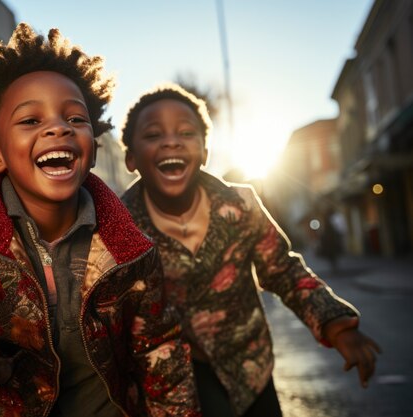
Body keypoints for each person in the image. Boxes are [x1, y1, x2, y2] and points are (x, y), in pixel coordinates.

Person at [0, 24, 200, 417]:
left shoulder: (133, 252)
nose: (58, 127)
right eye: (30, 121)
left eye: (75, 118)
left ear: (90, 151)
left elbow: (162, 355)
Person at [119, 83, 381, 417]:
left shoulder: (241, 204)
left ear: (204, 151)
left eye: (186, 132)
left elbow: (283, 269)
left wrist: (336, 324)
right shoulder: (119, 228)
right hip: (173, 384)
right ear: (130, 157)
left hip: (250, 367)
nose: (171, 140)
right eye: (154, 135)